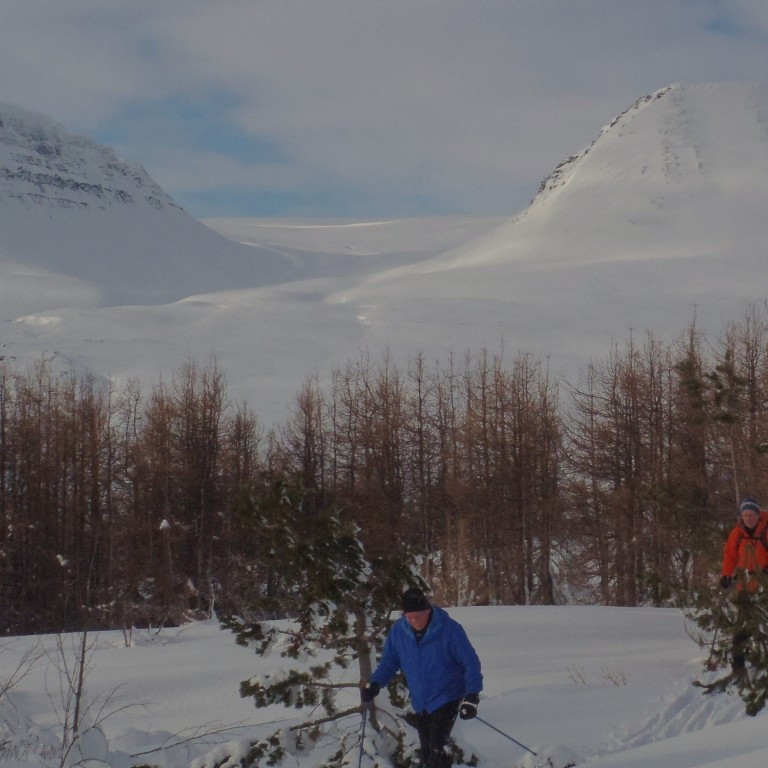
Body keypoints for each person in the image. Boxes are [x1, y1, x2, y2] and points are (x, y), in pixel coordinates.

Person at [361, 587, 483, 768]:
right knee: (427, 754)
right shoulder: (399, 632)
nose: (413, 621)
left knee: (437, 750)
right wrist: (375, 684)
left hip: (448, 696)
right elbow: (389, 662)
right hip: (422, 702)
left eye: (417, 616)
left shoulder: (448, 629)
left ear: (427, 611)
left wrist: (471, 696)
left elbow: (470, 662)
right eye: (409, 617)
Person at [720, 496, 768, 672]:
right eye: (745, 515)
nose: (748, 518)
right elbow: (729, 556)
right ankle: (738, 663)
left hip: (764, 586)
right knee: (741, 626)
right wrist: (726, 575)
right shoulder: (737, 534)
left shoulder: (766, 530)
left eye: (752, 514)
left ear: (758, 514)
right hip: (744, 586)